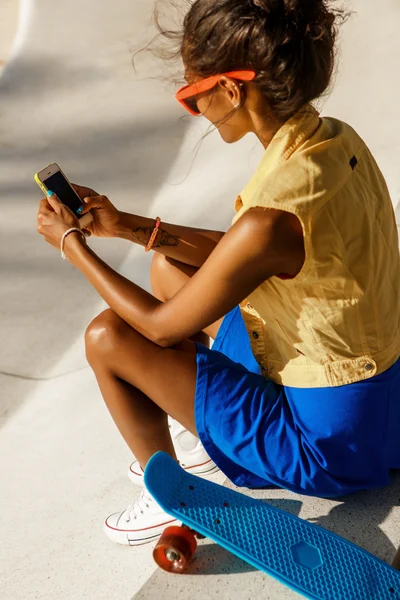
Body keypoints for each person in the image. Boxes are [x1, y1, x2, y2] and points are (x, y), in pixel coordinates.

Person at [37, 0, 400, 547]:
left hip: (330, 448)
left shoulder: (270, 218)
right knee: (170, 265)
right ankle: (210, 435)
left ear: (231, 91)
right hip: (381, 402)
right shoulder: (332, 141)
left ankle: (172, 497)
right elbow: (255, 248)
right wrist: (128, 227)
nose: (195, 108)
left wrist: (73, 246)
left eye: (190, 94)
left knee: (108, 337)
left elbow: (161, 328)